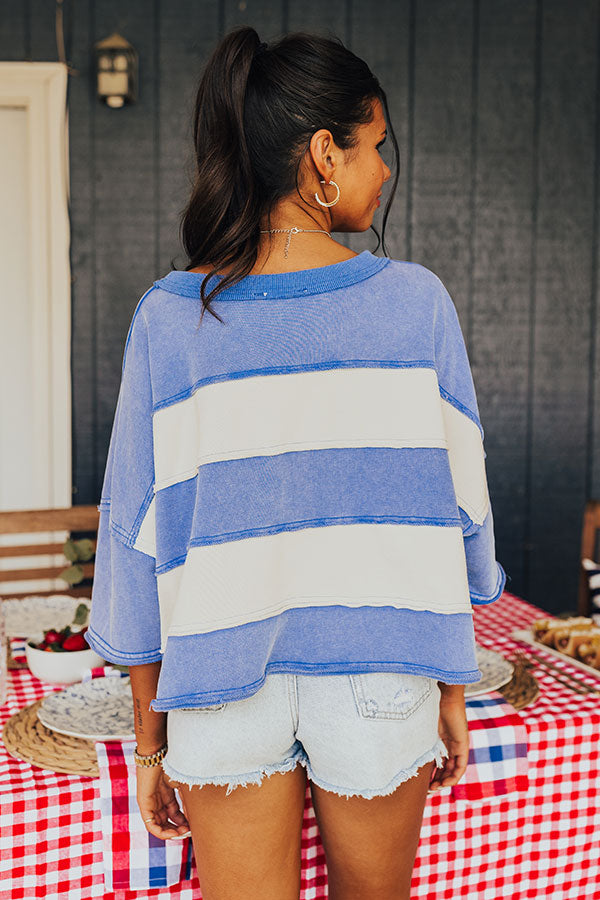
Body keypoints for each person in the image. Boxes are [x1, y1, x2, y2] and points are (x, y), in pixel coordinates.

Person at [85, 26, 506, 900]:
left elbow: (132, 541)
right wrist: (449, 684)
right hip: (383, 671)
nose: (384, 170)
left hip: (218, 682)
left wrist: (150, 741)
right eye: (376, 144)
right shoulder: (416, 304)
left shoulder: (169, 319)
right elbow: (460, 509)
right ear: (324, 154)